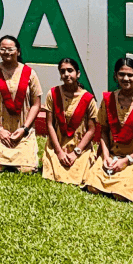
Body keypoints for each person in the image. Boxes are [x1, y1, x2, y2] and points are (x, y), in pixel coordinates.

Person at [84, 56, 133, 201]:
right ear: (115, 76)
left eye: (130, 75)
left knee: (121, 194)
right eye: (121, 74)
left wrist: (127, 160)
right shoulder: (108, 100)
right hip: (113, 157)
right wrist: (106, 157)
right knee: (92, 186)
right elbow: (104, 132)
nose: (125, 78)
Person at [0, 36, 42, 172]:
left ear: (18, 51)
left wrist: (24, 129)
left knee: (26, 168)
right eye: (3, 49)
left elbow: (36, 104)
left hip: (22, 130)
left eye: (10, 49)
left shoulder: (30, 73)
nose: (6, 52)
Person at [41, 57, 96, 185]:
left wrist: (76, 153)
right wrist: (59, 152)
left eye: (70, 70)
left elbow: (91, 130)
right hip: (57, 145)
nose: (66, 74)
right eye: (63, 71)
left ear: (78, 73)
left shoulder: (88, 98)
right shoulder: (53, 93)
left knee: (81, 176)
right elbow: (49, 124)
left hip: (79, 147)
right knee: (54, 173)